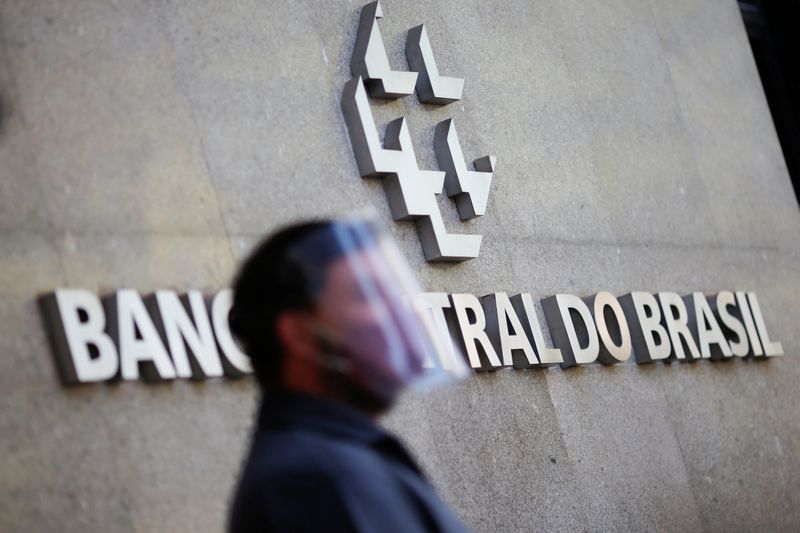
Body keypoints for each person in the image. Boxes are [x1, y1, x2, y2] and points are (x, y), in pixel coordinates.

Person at [227, 217, 471, 533]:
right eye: (369, 295)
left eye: (394, 293)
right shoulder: (309, 485)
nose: (400, 313)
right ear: (300, 335)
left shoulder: (339, 456)